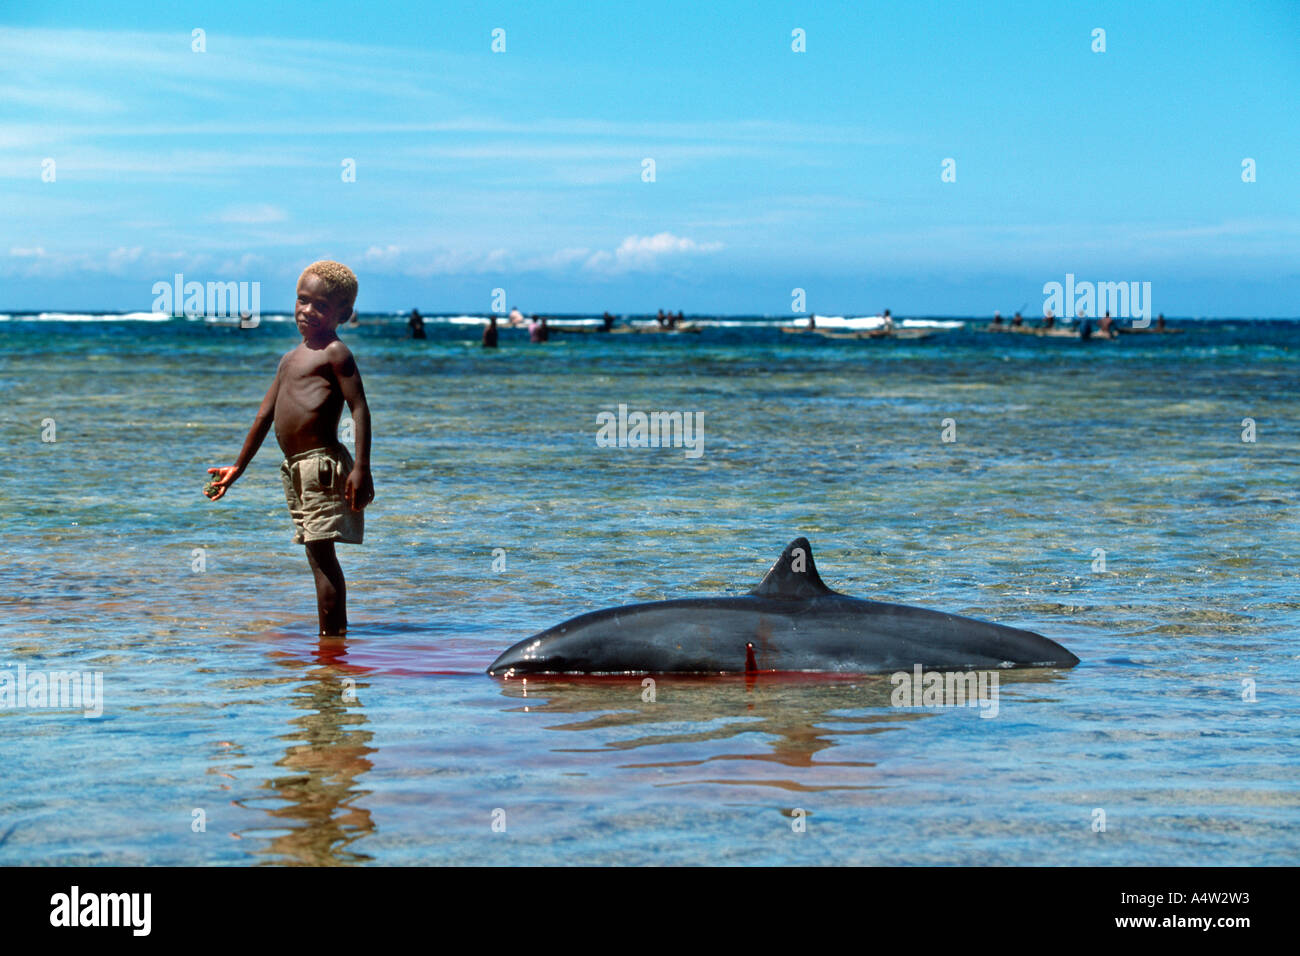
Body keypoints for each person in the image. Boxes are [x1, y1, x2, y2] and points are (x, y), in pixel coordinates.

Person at [206, 261, 373, 637]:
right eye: (302, 301)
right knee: (316, 555)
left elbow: (359, 408)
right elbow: (264, 416)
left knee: (321, 556)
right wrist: (238, 468)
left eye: (321, 306)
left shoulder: (335, 353)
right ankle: (332, 641)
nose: (307, 311)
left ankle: (332, 645)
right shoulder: (288, 360)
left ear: (343, 315)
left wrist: (361, 467)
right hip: (294, 468)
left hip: (322, 465)